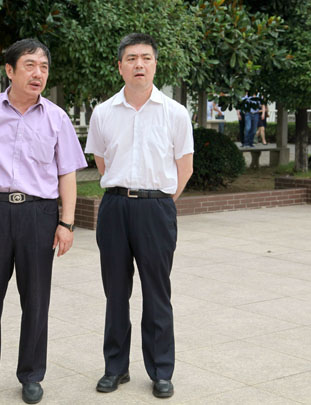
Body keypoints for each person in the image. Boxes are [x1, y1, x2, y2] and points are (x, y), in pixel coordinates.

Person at [0, 38, 87, 405]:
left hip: (39, 215)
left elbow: (67, 173)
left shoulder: (57, 118)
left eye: (43, 67)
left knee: (36, 300)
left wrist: (67, 223)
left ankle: (31, 375)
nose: (38, 73)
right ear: (10, 71)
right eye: (30, 65)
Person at [85, 33, 194, 399]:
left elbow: (185, 168)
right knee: (115, 292)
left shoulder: (175, 113)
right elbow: (102, 162)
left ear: (155, 65)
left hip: (156, 209)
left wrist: (158, 200)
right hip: (115, 207)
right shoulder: (103, 112)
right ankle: (115, 368)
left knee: (157, 292)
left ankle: (161, 370)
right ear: (120, 66)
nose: (139, 65)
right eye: (131, 58)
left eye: (146, 58)